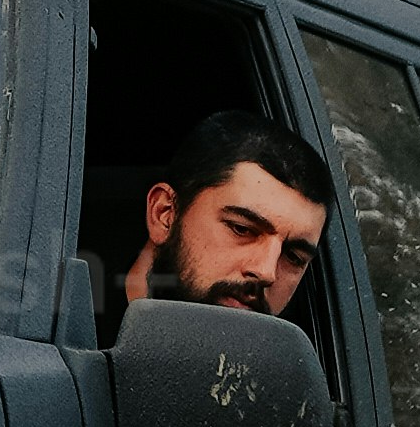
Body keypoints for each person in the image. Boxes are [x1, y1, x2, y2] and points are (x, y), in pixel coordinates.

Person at [125, 107, 329, 316]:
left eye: (293, 257)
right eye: (241, 229)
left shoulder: (291, 348)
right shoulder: (90, 332)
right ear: (164, 214)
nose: (266, 272)